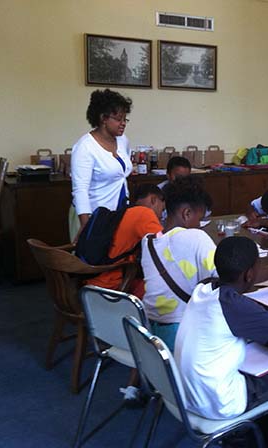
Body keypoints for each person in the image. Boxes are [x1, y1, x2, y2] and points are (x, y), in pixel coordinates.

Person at [174, 236, 268, 419]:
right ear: (248, 275)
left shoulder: (205, 286)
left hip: (187, 395)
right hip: (221, 403)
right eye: (258, 267)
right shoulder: (235, 306)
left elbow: (246, 277)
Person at [141, 177, 216, 350]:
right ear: (187, 213)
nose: (200, 225)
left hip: (149, 336)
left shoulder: (148, 241)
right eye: (200, 219)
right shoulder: (196, 236)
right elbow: (225, 278)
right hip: (182, 336)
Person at [70, 89, 133, 241]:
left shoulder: (122, 140)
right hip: (90, 215)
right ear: (103, 118)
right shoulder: (85, 147)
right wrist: (87, 226)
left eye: (125, 119)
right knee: (90, 262)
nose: (123, 123)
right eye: (118, 119)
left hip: (116, 212)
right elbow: (80, 190)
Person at [85, 184, 165, 296]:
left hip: (89, 280)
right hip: (111, 286)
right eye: (162, 209)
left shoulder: (124, 212)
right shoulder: (144, 214)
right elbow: (164, 244)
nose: (161, 216)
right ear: (153, 200)